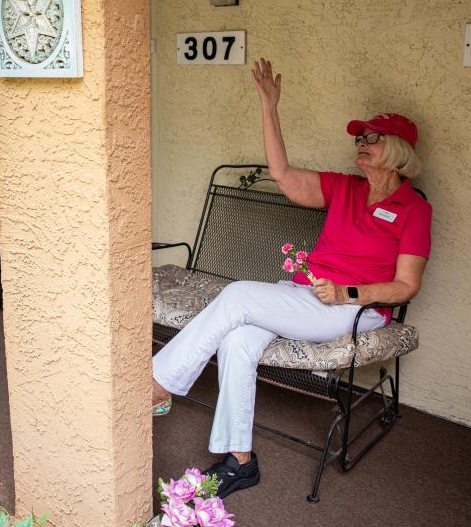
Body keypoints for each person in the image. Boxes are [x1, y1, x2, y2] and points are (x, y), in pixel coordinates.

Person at [151, 58, 432, 498]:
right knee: (237, 341)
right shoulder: (346, 188)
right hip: (305, 297)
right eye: (359, 138)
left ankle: (159, 382)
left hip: (350, 309)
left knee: (240, 294)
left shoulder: (415, 210)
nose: (360, 143)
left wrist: (348, 292)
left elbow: (406, 285)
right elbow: (283, 175)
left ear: (398, 150)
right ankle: (240, 460)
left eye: (371, 139)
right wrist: (269, 107)